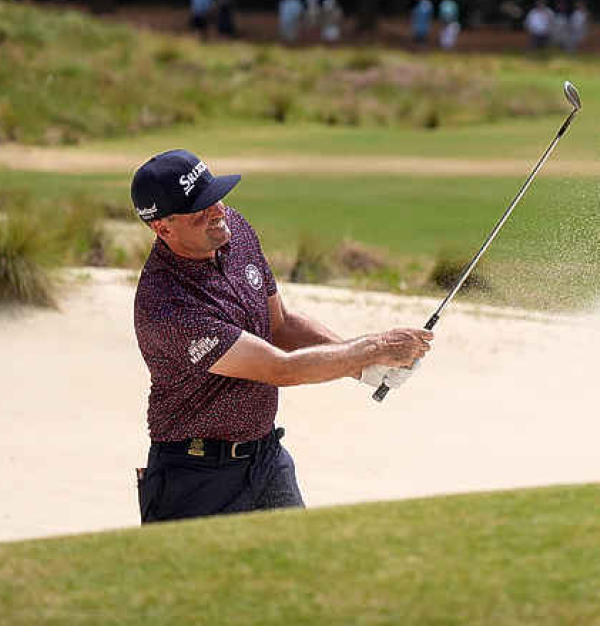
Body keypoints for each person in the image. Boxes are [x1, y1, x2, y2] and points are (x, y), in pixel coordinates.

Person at [130, 149, 433, 523]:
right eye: (200, 209)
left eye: (216, 197)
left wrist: (364, 367)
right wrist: (374, 348)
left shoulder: (233, 230)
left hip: (266, 461)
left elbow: (281, 325)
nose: (218, 211)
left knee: (302, 573)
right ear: (163, 228)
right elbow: (280, 369)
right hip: (195, 478)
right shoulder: (169, 305)